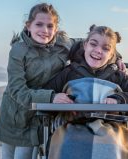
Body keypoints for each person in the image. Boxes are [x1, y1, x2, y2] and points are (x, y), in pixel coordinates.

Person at [0, 3, 125, 159]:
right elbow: (17, 90)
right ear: (28, 26)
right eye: (39, 24)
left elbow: (99, 40)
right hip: (17, 111)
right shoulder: (18, 50)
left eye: (50, 26)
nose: (44, 30)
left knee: (24, 155)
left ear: (56, 29)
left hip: (39, 113)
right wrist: (52, 98)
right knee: (8, 154)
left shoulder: (63, 43)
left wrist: (116, 57)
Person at [44, 24, 128, 159]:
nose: (98, 50)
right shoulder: (69, 72)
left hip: (110, 128)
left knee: (115, 144)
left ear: (112, 53)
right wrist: (54, 96)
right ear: (85, 45)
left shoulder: (118, 76)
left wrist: (119, 98)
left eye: (106, 48)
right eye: (93, 44)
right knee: (63, 141)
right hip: (72, 125)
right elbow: (46, 91)